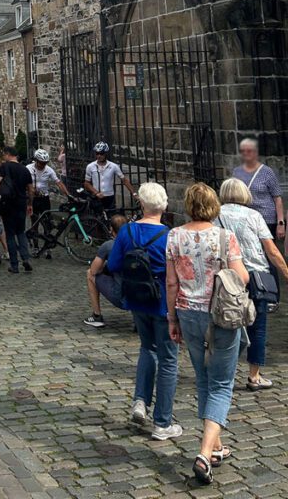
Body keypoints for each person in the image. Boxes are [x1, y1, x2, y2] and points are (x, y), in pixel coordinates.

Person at [166, 183, 249, 485]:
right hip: (221, 315)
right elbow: (241, 277)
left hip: (188, 312)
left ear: (188, 205)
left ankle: (215, 447)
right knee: (222, 383)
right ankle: (203, 453)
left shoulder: (174, 236)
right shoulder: (225, 237)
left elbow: (171, 283)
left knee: (203, 378)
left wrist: (171, 317)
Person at [107, 184, 180, 440]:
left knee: (147, 349)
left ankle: (140, 401)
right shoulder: (170, 235)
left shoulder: (127, 230)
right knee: (169, 359)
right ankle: (162, 422)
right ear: (165, 206)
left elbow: (114, 263)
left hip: (138, 300)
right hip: (163, 302)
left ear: (141, 205)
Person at [216, 177, 288, 392]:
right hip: (255, 277)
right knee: (258, 328)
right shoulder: (253, 216)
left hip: (227, 277)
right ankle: (254, 376)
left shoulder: (215, 215)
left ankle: (221, 372)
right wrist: (285, 272)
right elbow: (272, 250)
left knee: (225, 323)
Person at [232, 138, 284, 243]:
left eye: (249, 150)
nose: (246, 153)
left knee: (268, 252)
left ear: (256, 152)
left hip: (267, 220)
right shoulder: (236, 172)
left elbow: (277, 198)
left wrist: (280, 224)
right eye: (243, 151)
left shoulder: (267, 172)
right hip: (245, 220)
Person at [83, 214, 128, 328]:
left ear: (111, 230)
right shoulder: (138, 242)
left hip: (122, 296)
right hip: (141, 293)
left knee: (89, 274)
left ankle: (97, 315)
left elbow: (94, 270)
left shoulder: (109, 246)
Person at [0, 146, 33, 273]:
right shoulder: (25, 170)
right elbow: (30, 189)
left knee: (10, 234)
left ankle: (14, 265)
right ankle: (25, 258)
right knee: (21, 232)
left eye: (4, 155)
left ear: (8, 154)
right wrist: (30, 203)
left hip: (7, 204)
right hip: (21, 203)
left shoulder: (5, 167)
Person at [26, 149, 70, 254]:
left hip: (44, 199)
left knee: (47, 223)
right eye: (41, 163)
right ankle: (36, 246)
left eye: (45, 163)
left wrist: (68, 195)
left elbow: (58, 183)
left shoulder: (49, 170)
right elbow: (22, 182)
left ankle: (47, 246)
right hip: (33, 199)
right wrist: (30, 190)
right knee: (34, 222)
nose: (43, 165)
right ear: (36, 160)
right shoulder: (28, 169)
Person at [84, 142, 137, 214]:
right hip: (96, 197)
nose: (99, 156)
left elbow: (124, 180)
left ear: (106, 154)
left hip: (109, 197)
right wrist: (96, 192)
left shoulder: (113, 166)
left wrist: (134, 194)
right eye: (97, 153)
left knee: (111, 218)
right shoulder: (90, 166)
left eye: (101, 153)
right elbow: (86, 183)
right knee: (97, 219)